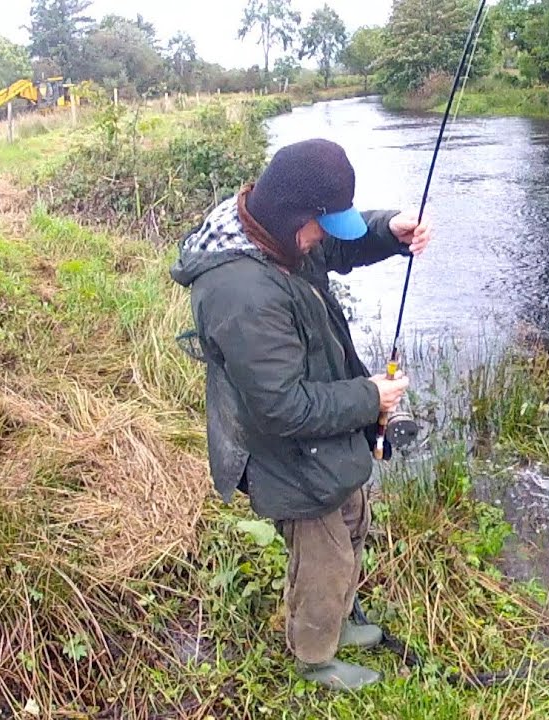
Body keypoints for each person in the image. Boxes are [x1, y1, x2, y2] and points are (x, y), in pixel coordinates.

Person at [170, 138, 431, 691]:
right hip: (279, 447)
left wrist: (390, 231)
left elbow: (333, 248)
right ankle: (316, 658)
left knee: (354, 518)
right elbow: (281, 406)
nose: (323, 239)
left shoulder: (278, 234)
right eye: (321, 224)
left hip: (318, 431)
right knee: (324, 558)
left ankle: (335, 623)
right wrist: (370, 399)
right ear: (297, 217)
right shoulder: (240, 292)